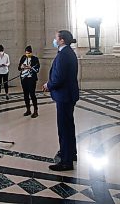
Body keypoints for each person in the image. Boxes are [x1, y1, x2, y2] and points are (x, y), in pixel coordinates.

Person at [42, 30, 79, 171]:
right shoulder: (67, 52)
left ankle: (66, 161)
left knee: (64, 128)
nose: (54, 39)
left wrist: (48, 85)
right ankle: (71, 153)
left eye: (56, 37)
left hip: (64, 96)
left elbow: (59, 78)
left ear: (62, 40)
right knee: (69, 126)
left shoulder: (64, 54)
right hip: (67, 95)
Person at [18, 45, 40, 118]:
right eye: (26, 53)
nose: (27, 54)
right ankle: (28, 110)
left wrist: (31, 67)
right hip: (24, 79)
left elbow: (37, 70)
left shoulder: (35, 59)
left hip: (31, 79)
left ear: (31, 52)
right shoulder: (23, 58)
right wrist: (21, 67)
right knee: (25, 94)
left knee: (32, 94)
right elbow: (19, 68)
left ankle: (35, 111)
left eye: (29, 53)